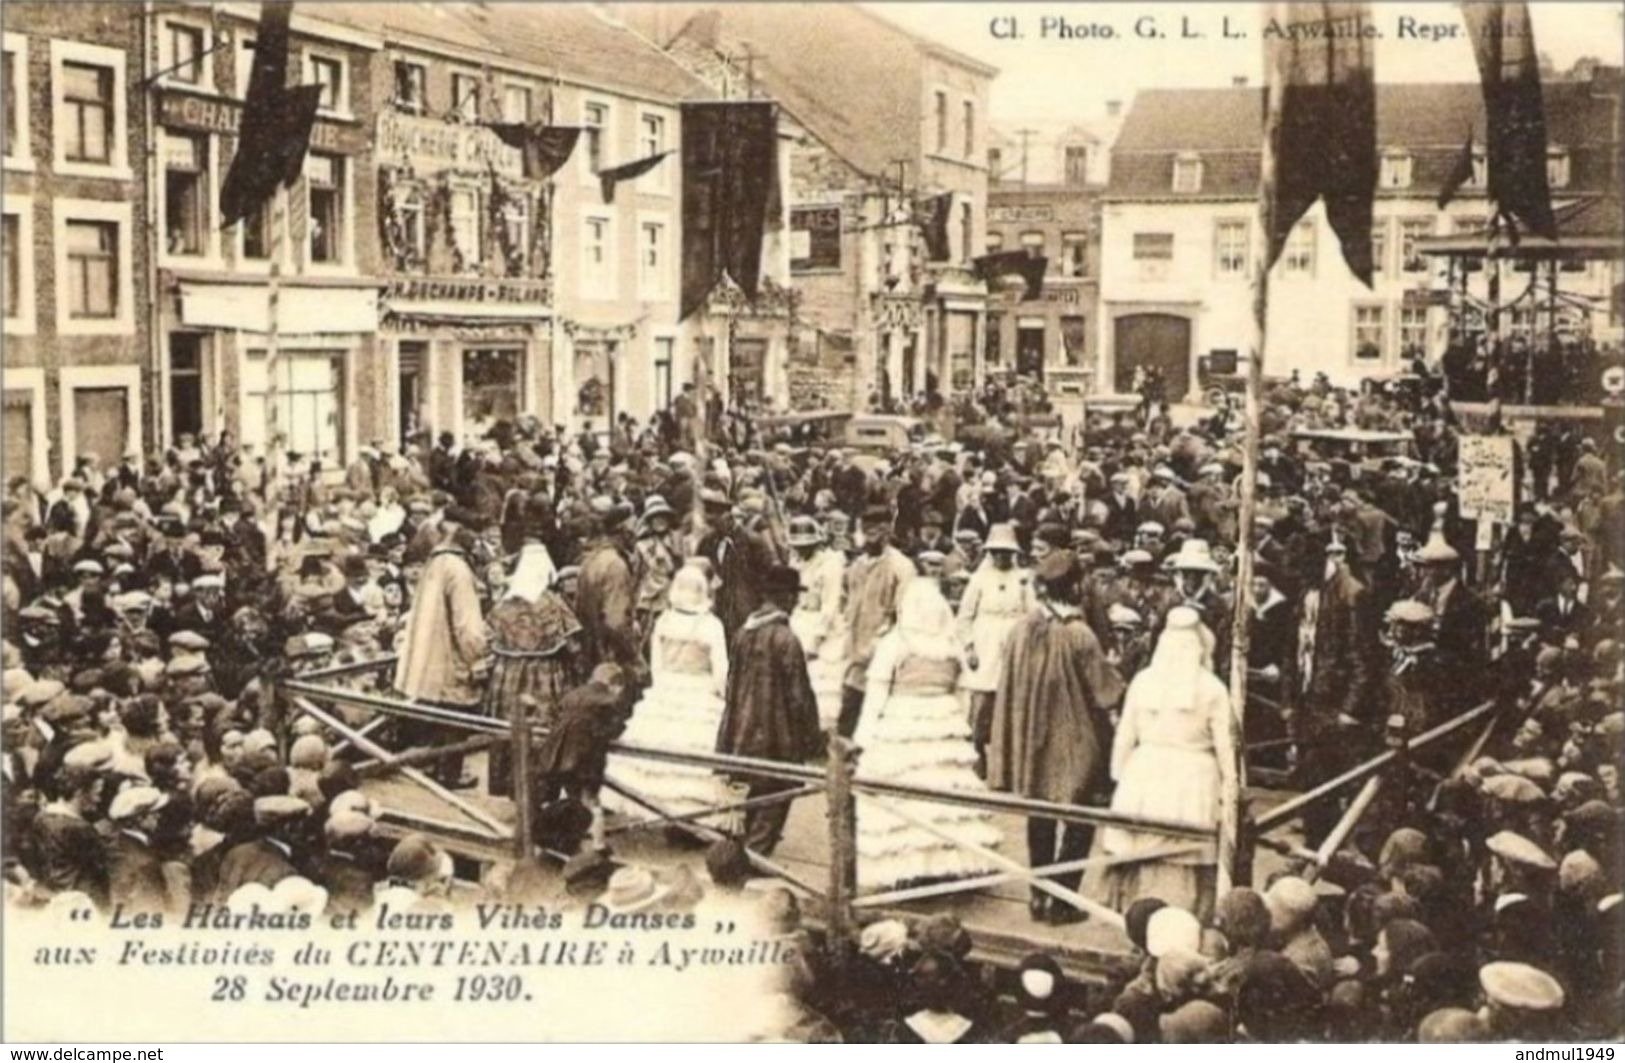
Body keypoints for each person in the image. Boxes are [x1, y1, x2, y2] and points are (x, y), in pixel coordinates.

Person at [989, 550, 1124, 925]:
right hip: (1074, 739)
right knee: (1080, 819)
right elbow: (1105, 693)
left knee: (1040, 816)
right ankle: (1062, 900)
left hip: (1032, 739)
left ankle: (1039, 896)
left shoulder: (1020, 630)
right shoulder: (1080, 635)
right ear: (1077, 587)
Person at [853, 578, 1002, 891]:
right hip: (943, 718)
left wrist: (863, 739)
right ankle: (942, 865)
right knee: (942, 790)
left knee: (907, 791)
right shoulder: (950, 646)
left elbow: (876, 694)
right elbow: (963, 692)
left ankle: (911, 867)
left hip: (902, 718)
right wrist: (957, 726)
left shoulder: (897, 642)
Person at [1100, 606, 1233, 920]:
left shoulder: (1145, 681)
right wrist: (1230, 785)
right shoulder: (1212, 688)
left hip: (1146, 774)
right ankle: (1178, 917)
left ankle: (1144, 917)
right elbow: (1226, 747)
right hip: (1192, 779)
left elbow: (1125, 734)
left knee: (1151, 845)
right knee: (1180, 851)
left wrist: (1120, 774)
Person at [603, 564, 732, 830]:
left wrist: (661, 690)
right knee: (693, 754)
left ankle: (658, 810)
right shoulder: (710, 625)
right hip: (700, 690)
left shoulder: (665, 621)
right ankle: (691, 817)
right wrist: (721, 694)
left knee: (659, 751)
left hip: (667, 690)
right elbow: (721, 670)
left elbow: (657, 665)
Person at [716, 564, 822, 856]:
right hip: (777, 731)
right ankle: (751, 858)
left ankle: (740, 852)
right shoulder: (786, 639)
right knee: (777, 792)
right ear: (786, 597)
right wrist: (811, 735)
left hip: (742, 726)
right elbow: (799, 695)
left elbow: (731, 683)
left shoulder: (741, 634)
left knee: (751, 791)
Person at [392, 511, 488, 789]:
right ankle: (450, 773)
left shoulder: (435, 562)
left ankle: (438, 767)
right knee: (454, 716)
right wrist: (477, 655)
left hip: (428, 653)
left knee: (438, 714)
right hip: (448, 654)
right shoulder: (457, 568)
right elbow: (467, 623)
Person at [483, 536, 580, 797]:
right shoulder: (552, 603)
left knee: (510, 730)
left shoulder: (504, 603)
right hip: (545, 677)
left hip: (508, 677)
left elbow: (487, 636)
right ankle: (542, 789)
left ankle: (513, 787)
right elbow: (572, 644)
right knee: (541, 730)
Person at [956, 524, 1035, 773]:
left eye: (1006, 552)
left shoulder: (1023, 579)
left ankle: (1007, 758)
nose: (1002, 557)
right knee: (982, 700)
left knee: (1011, 699)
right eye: (997, 552)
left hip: (1013, 641)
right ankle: (976, 750)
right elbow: (965, 617)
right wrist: (969, 647)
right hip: (985, 641)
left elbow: (1032, 613)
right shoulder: (979, 580)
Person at [838, 506, 917, 739]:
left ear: (888, 531)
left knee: (876, 718)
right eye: (867, 528)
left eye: (878, 529)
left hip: (883, 651)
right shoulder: (856, 566)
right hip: (855, 650)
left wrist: (882, 642)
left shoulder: (900, 567)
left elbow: (903, 613)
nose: (871, 534)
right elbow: (846, 602)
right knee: (848, 719)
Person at [787, 515, 846, 731]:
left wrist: (815, 642)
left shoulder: (831, 564)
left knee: (820, 681)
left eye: (807, 546)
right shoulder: (795, 561)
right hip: (800, 619)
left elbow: (830, 606)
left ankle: (819, 730)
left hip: (824, 628)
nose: (801, 551)